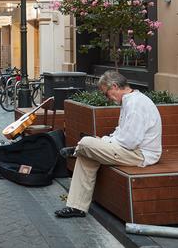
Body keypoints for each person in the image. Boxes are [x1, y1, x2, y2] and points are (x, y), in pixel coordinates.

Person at [54, 71, 162, 218]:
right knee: (87, 153)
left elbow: (130, 141)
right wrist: (104, 141)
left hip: (140, 155)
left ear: (115, 86)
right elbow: (121, 134)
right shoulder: (130, 101)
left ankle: (77, 149)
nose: (108, 98)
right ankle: (76, 206)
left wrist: (102, 142)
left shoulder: (136, 104)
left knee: (86, 142)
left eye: (106, 94)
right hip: (131, 150)